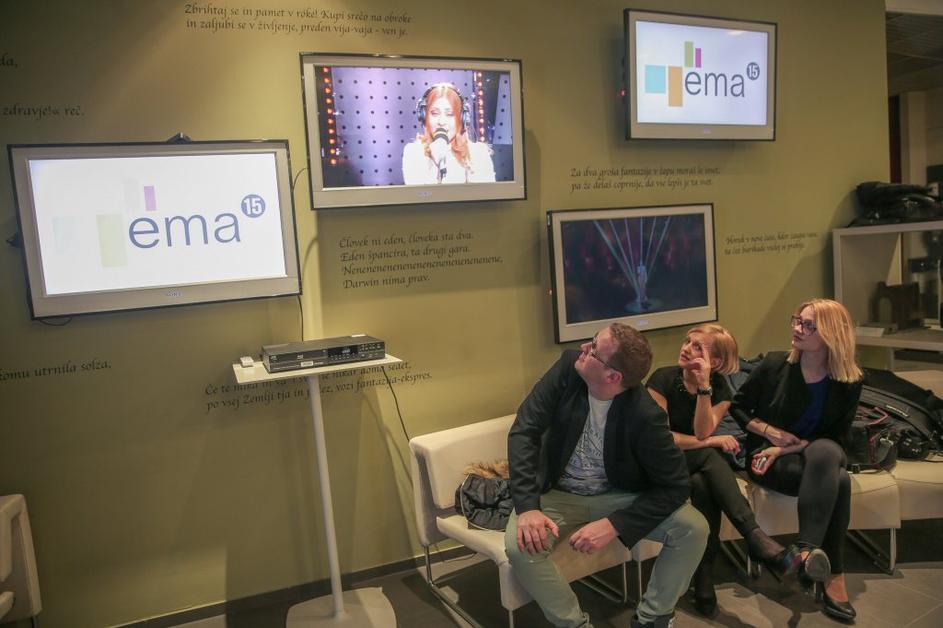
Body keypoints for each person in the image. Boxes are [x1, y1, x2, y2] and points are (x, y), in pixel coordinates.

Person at [506, 323, 708, 628]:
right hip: (557, 493)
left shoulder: (645, 413)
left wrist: (616, 524)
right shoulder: (568, 368)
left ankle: (652, 618)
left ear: (613, 377)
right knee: (521, 547)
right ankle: (574, 624)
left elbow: (676, 485)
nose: (583, 348)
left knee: (693, 528)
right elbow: (525, 430)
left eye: (593, 349)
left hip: (618, 495)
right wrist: (527, 507)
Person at [646, 324, 818, 616]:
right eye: (687, 341)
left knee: (702, 484)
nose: (686, 348)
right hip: (656, 462)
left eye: (697, 347)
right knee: (710, 454)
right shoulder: (661, 379)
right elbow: (663, 440)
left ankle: (704, 578)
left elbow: (701, 431)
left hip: (693, 465)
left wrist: (703, 388)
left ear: (714, 362)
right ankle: (755, 538)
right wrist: (712, 441)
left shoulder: (720, 389)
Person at [730, 299, 864, 622]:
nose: (797, 329)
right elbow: (738, 408)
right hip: (768, 459)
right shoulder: (775, 365)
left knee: (827, 453)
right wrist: (771, 434)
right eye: (797, 320)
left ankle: (804, 555)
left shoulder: (849, 380)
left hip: (813, 454)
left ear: (832, 334)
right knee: (839, 479)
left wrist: (787, 448)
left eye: (808, 325)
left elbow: (837, 435)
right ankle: (832, 575)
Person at [402, 83, 496, 185]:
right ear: (424, 116)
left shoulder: (478, 153)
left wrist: (470, 163)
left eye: (450, 114)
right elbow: (420, 193)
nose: (441, 122)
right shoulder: (413, 152)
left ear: (462, 119)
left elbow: (485, 193)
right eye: (435, 113)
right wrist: (434, 164)